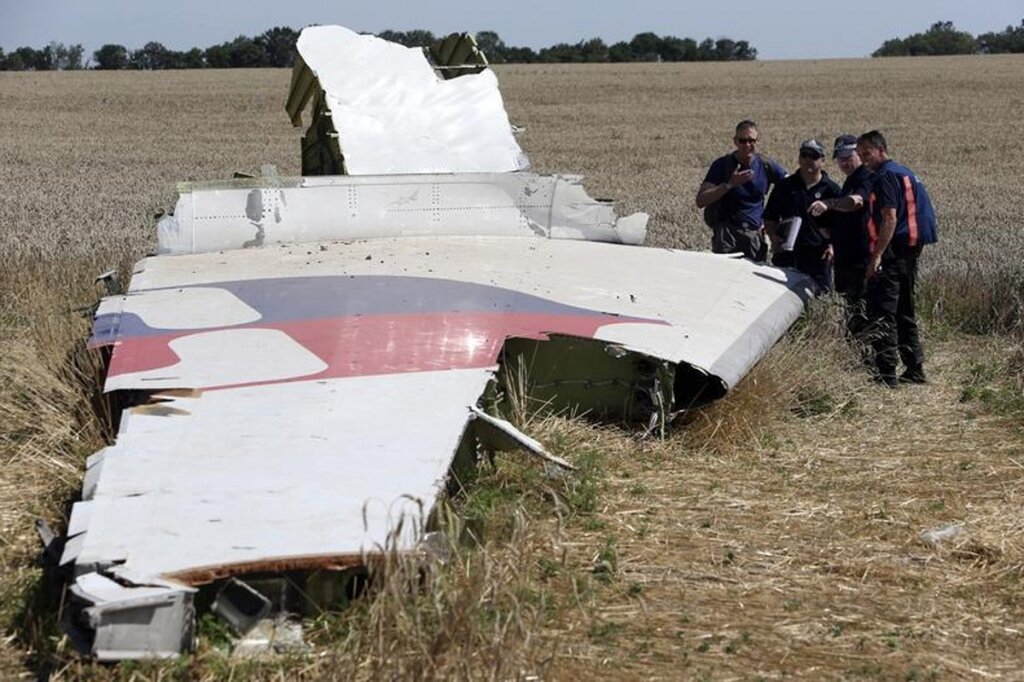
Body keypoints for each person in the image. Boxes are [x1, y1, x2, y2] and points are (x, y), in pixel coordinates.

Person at [855, 130, 938, 387]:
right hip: (910, 252)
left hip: (892, 252)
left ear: (881, 150)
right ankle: (914, 368)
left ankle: (886, 374)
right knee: (905, 310)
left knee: (884, 312)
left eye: (866, 153)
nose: (863, 159)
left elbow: (889, 217)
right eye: (860, 154)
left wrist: (877, 255)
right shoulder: (906, 172)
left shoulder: (884, 176)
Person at [808, 134, 874, 341]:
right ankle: (857, 351)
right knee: (852, 309)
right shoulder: (851, 180)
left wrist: (830, 204)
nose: (844, 162)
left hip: (861, 257)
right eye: (840, 158)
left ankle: (865, 356)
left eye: (849, 156)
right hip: (848, 257)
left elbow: (856, 203)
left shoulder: (865, 177)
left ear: (860, 155)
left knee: (862, 310)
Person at [695, 120, 787, 262]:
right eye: (742, 141)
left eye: (752, 141)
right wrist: (729, 185)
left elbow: (792, 187)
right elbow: (701, 200)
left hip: (755, 236)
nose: (747, 145)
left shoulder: (766, 165)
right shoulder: (722, 165)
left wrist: (773, 220)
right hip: (727, 235)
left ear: (758, 141)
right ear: (735, 141)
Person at [763, 139, 841, 290]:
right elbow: (769, 217)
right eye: (804, 155)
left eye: (813, 156)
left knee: (818, 297)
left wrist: (833, 246)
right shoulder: (785, 186)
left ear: (823, 161)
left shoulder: (832, 190)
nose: (807, 160)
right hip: (786, 254)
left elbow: (842, 225)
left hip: (818, 256)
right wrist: (773, 237)